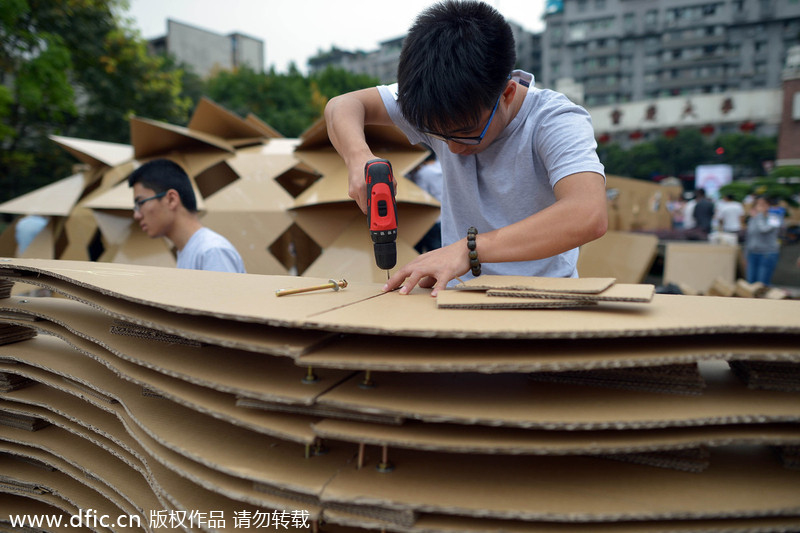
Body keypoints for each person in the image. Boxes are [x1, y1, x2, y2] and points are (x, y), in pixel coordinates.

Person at [324, 0, 607, 296]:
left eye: (466, 134)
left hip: (545, 297)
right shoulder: (435, 102)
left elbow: (588, 214)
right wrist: (359, 158)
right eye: (438, 136)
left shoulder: (555, 120)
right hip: (460, 296)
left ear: (507, 93)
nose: (453, 149)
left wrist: (470, 249)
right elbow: (341, 105)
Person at [127, 158, 246, 273]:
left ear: (171, 199)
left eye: (140, 203)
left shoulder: (211, 251)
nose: (136, 215)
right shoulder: (189, 251)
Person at [409, 153, 443, 253]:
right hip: (442, 216)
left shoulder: (423, 172)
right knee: (439, 249)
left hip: (429, 218)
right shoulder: (441, 167)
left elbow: (420, 194)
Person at [745, 195, 781, 285]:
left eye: (762, 204)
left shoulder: (774, 218)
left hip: (767, 254)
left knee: (762, 284)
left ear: (769, 205)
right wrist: (746, 253)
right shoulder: (754, 218)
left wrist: (759, 215)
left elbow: (763, 230)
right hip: (753, 254)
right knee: (751, 283)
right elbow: (749, 235)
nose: (759, 207)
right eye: (757, 204)